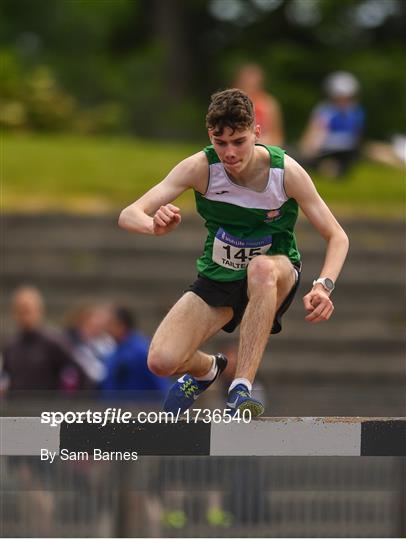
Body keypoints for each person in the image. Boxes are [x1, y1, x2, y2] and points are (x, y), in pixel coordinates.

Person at [118, 88, 349, 417]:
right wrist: (153, 225)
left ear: (256, 132)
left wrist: (323, 285)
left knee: (261, 269)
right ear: (209, 135)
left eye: (238, 141)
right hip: (220, 276)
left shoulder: (286, 173)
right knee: (161, 360)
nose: (229, 153)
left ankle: (241, 388)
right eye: (220, 142)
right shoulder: (200, 168)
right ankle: (208, 368)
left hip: (276, 270)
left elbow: (337, 235)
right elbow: (130, 214)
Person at [1, 285, 88, 392]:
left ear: (39, 311)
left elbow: (81, 372)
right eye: (20, 311)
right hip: (19, 406)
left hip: (45, 406)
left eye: (27, 311)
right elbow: (6, 378)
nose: (24, 317)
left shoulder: (53, 342)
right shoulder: (11, 347)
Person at [299, 71, 365, 177]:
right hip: (326, 150)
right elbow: (314, 132)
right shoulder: (325, 111)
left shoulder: (356, 112)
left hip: (346, 151)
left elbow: (357, 136)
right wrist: (308, 150)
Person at [100, 306, 170, 401]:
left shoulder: (141, 350)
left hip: (138, 410)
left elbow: (161, 384)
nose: (107, 328)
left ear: (122, 325)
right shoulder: (114, 349)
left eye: (110, 323)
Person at [234, 63, 284, 146]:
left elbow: (277, 136)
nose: (251, 84)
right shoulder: (232, 102)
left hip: (262, 145)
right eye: (247, 81)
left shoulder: (269, 104)